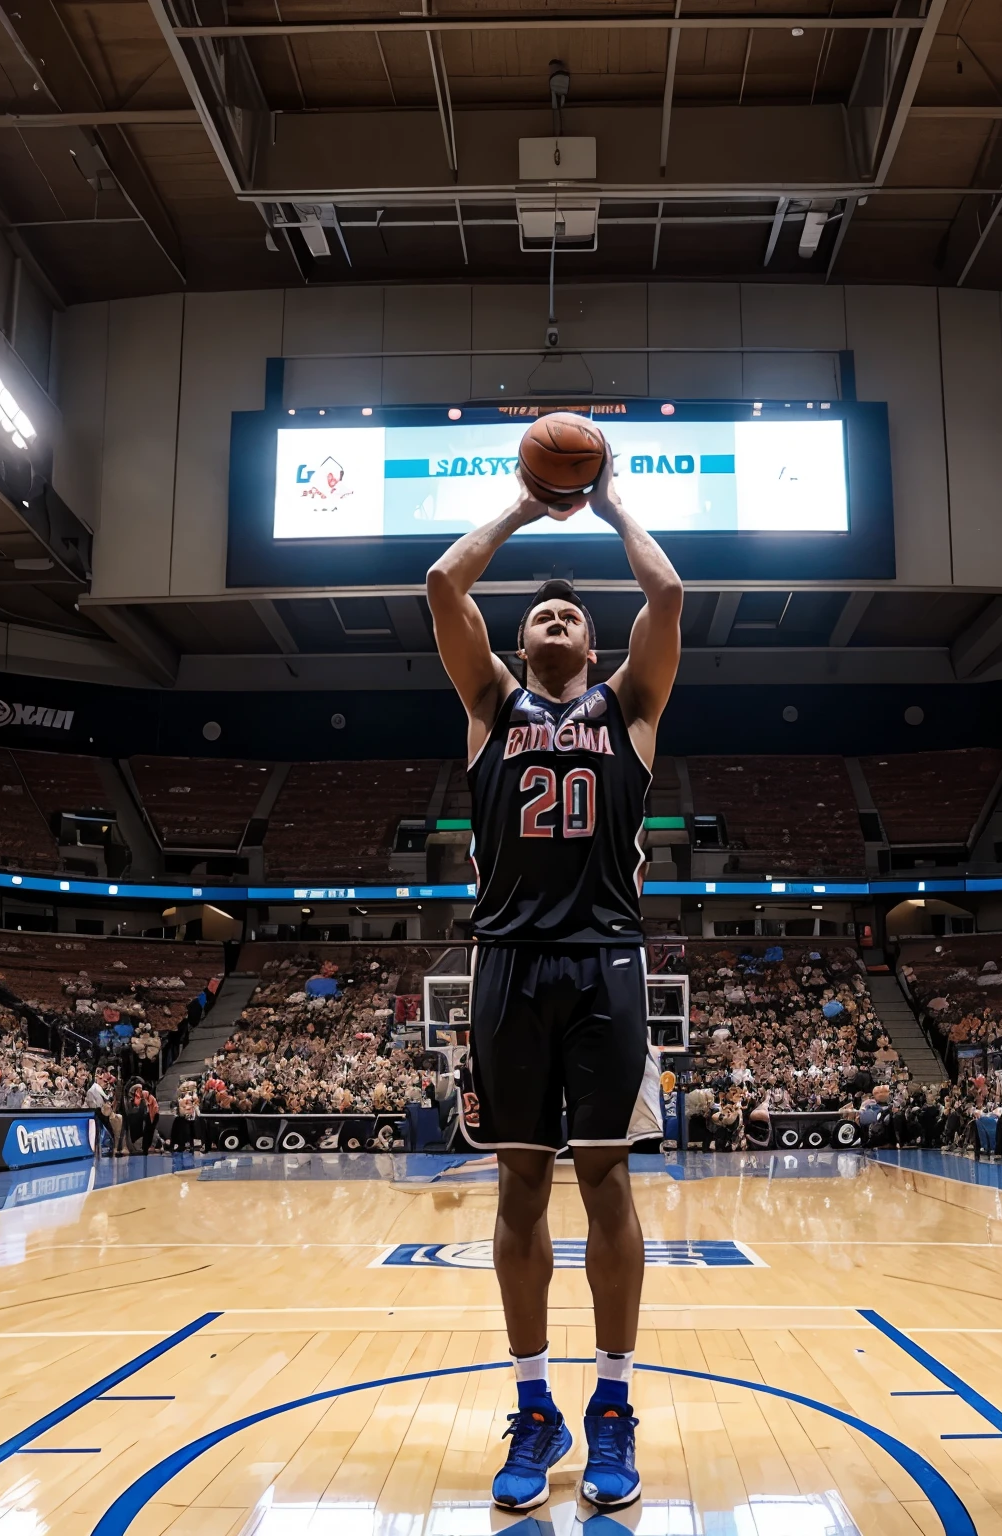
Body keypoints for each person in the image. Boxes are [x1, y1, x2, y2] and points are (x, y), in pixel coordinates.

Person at [426, 440, 682, 1513]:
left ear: (596, 640)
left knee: (608, 1179)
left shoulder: (630, 712)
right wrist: (526, 511)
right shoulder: (490, 706)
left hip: (605, 962)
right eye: (544, 614)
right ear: (522, 641)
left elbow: (665, 590)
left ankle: (613, 1403)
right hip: (506, 964)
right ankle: (534, 1404)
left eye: (575, 613)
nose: (559, 617)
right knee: (519, 1183)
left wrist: (611, 505)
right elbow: (445, 583)